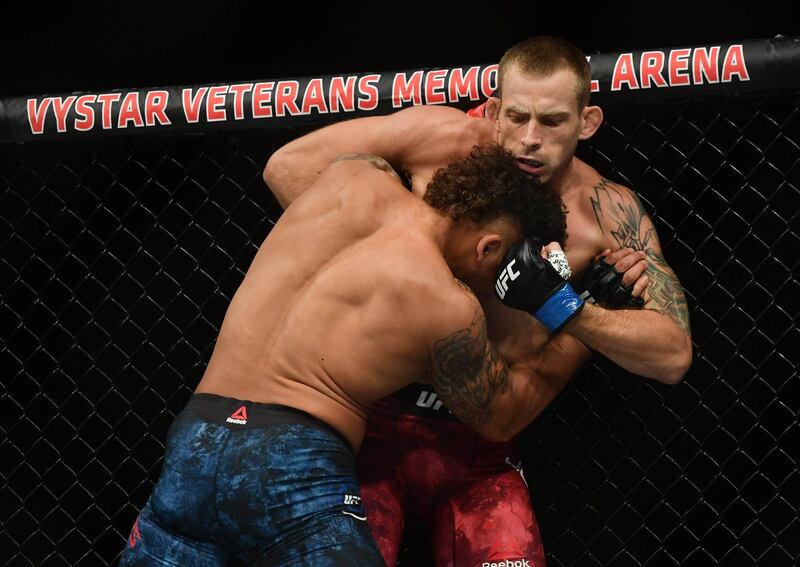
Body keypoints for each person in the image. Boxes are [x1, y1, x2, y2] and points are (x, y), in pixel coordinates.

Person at [263, 36, 692, 567]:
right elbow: (289, 166)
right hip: (372, 416)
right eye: (516, 117)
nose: (530, 139)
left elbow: (671, 356)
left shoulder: (604, 212)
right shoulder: (443, 141)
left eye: (553, 122)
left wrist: (566, 307)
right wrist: (405, 260)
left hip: (479, 446)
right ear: (493, 111)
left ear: (588, 122)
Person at [119, 143, 574, 566]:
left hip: (195, 440)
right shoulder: (446, 304)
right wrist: (578, 322)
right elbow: (502, 416)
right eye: (498, 270)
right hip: (291, 464)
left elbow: (288, 162)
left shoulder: (348, 177)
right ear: (489, 247)